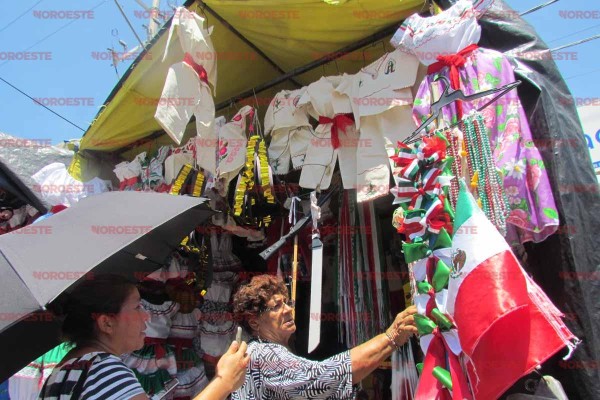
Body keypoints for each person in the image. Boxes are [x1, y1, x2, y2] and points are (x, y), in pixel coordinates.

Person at [40, 274, 249, 400]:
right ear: (106, 322)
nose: (147, 315)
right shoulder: (103, 370)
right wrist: (224, 382)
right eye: (137, 307)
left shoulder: (60, 373)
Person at [231, 274, 418, 399]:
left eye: (287, 303)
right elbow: (327, 376)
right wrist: (392, 336)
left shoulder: (256, 351)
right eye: (277, 306)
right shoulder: (264, 355)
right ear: (254, 322)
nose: (288, 310)